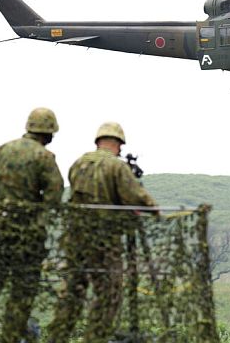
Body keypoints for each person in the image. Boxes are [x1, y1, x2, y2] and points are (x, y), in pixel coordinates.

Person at [47, 122, 156, 343]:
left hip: (76, 239)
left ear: (98, 141)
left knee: (72, 293)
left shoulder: (79, 164)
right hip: (104, 242)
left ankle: (57, 338)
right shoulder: (116, 167)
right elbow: (136, 197)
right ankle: (94, 338)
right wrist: (154, 208)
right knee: (109, 294)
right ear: (118, 144)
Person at [0, 108, 64, 343]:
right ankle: (10, 339)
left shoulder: (1, 151)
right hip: (26, 235)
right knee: (21, 293)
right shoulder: (44, 157)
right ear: (50, 132)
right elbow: (54, 196)